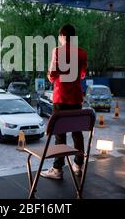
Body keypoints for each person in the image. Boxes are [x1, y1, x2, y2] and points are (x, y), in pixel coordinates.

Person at [40, 24, 87, 180]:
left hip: (61, 99)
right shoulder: (82, 53)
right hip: (76, 98)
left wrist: (50, 75)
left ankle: (57, 169)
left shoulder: (57, 51)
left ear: (61, 36)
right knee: (77, 132)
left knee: (60, 134)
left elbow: (52, 76)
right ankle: (78, 165)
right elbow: (82, 75)